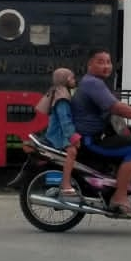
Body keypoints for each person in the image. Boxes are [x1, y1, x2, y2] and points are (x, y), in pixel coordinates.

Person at [71, 48, 131, 218]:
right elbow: (116, 107)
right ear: (90, 64)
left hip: (98, 136)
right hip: (90, 140)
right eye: (101, 62)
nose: (106, 66)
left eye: (108, 62)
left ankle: (125, 189)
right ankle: (119, 198)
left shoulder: (95, 82)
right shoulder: (93, 83)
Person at [35, 67, 81, 197]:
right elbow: (64, 120)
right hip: (59, 135)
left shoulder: (62, 92)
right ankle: (65, 184)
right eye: (71, 78)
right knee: (72, 152)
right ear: (64, 80)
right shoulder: (62, 97)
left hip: (60, 132)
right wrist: (73, 137)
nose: (74, 80)